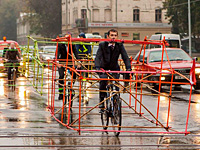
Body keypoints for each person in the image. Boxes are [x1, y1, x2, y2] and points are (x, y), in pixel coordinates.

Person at [95, 29, 131, 109]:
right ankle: (101, 101)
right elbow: (98, 57)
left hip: (114, 68)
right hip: (104, 68)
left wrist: (128, 68)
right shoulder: (102, 45)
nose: (113, 37)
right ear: (108, 36)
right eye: (112, 35)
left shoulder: (119, 45)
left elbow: (125, 57)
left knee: (116, 85)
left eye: (115, 35)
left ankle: (116, 102)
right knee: (103, 82)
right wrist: (97, 68)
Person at [57, 34, 81, 100]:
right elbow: (57, 54)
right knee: (61, 76)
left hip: (70, 62)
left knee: (74, 73)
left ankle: (71, 86)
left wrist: (79, 62)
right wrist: (57, 63)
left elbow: (76, 53)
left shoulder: (72, 45)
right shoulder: (60, 45)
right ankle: (60, 92)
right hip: (62, 62)